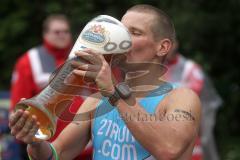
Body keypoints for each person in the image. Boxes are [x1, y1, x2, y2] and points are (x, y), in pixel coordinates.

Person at [9, 4, 201, 160]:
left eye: (135, 32)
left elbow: (168, 150)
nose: (123, 39)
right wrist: (34, 140)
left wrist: (113, 92)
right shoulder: (96, 101)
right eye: (122, 31)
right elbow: (55, 154)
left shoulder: (181, 97)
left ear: (163, 47)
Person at [9, 14, 92, 160]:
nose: (62, 35)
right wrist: (25, 135)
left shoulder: (85, 59)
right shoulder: (29, 60)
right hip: (45, 148)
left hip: (86, 149)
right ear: (45, 34)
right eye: (57, 32)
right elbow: (19, 103)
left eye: (65, 31)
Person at [164, 41, 222, 160]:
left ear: (175, 44)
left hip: (193, 126)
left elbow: (195, 94)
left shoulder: (189, 68)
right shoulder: (158, 68)